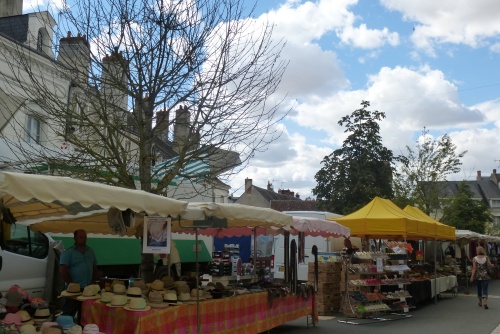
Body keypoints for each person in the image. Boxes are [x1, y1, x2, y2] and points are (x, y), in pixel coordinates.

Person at [59, 229, 98, 323]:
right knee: (68, 315)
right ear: (74, 238)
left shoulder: (90, 251)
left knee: (84, 316)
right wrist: (71, 285)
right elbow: (63, 270)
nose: (83, 239)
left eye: (85, 237)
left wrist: (93, 281)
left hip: (87, 290)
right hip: (73, 291)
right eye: (80, 237)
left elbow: (94, 266)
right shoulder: (69, 252)